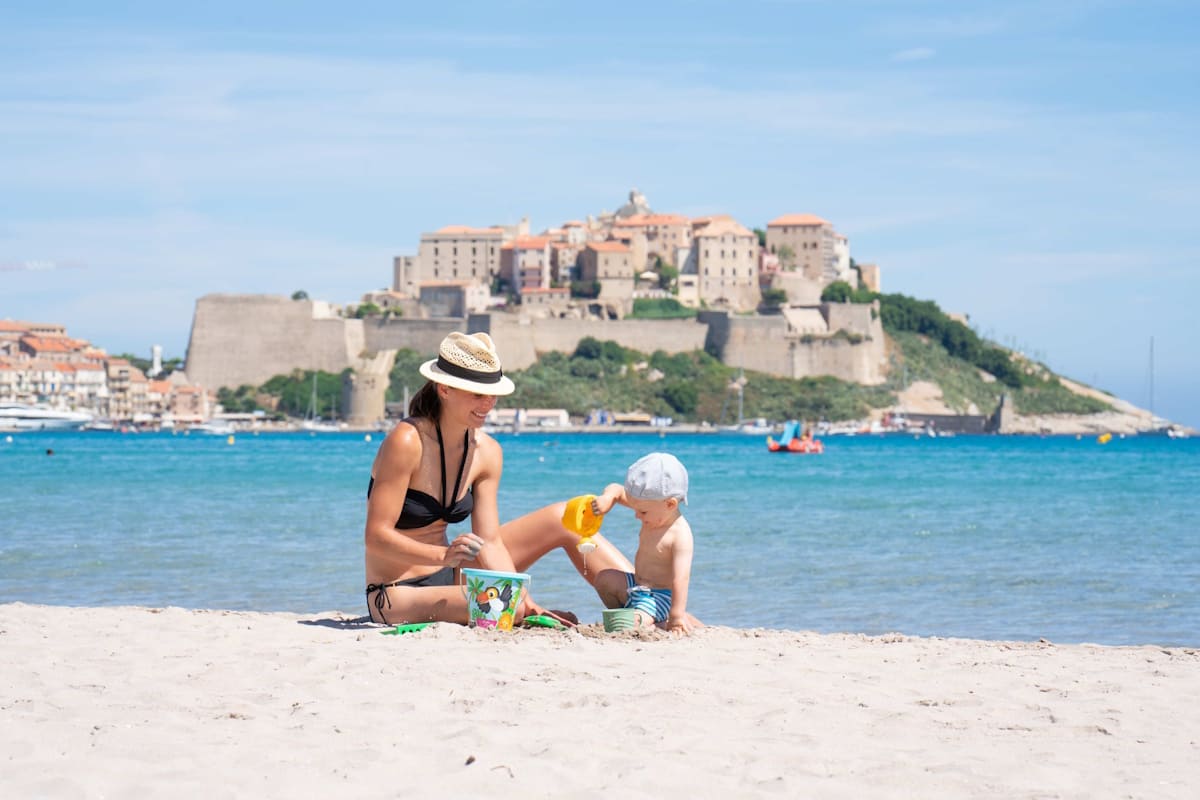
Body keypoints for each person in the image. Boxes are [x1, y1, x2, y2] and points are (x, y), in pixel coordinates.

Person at [364, 331, 634, 626]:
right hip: (396, 593)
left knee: (563, 518)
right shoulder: (407, 441)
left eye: (492, 394)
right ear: (444, 389)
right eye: (477, 394)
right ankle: (518, 609)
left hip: (453, 575)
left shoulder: (487, 451)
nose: (488, 404)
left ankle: (644, 603)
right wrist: (444, 555)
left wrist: (520, 594)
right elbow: (376, 537)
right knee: (507, 609)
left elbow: (490, 541)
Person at [588, 452, 702, 634]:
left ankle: (657, 621)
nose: (636, 515)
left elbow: (681, 578)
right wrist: (607, 499)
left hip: (660, 596)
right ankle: (631, 614)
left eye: (643, 512)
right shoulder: (654, 508)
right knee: (603, 579)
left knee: (629, 625)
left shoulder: (680, 535)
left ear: (670, 504)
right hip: (636, 584)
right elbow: (616, 489)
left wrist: (677, 615)